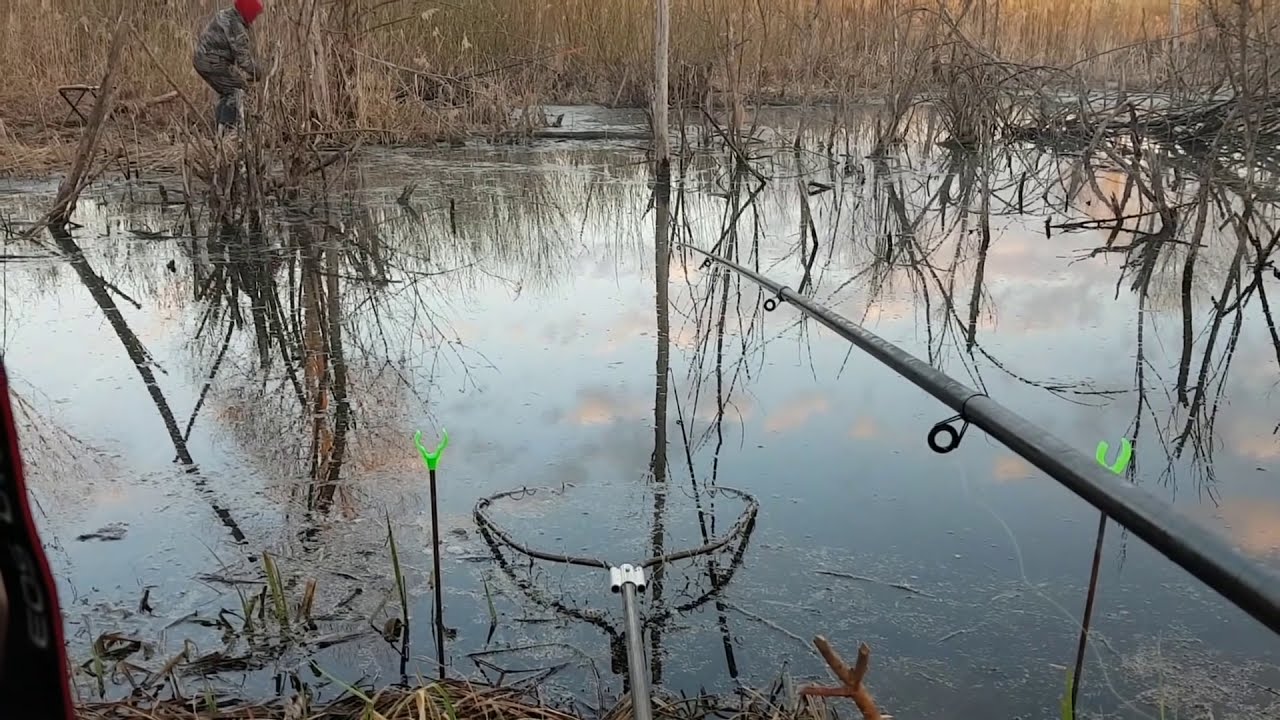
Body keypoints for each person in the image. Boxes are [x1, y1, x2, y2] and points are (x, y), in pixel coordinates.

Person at [193, 0, 265, 131]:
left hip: (203, 59)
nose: (255, 19)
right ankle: (227, 130)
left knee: (227, 91)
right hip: (211, 61)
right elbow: (244, 61)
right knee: (236, 89)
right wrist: (260, 73)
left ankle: (220, 130)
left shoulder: (226, 14)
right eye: (254, 14)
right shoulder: (236, 27)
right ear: (248, 12)